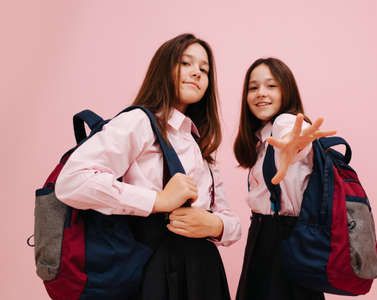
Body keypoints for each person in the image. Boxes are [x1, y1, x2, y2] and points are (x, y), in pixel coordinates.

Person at [55, 33, 241, 300]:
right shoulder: (138, 123)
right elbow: (71, 181)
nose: (197, 73)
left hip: (204, 272)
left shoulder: (198, 142)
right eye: (186, 63)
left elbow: (232, 221)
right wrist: (158, 200)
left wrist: (214, 225)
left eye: (204, 69)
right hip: (155, 269)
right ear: (164, 68)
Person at [234, 57, 336, 300]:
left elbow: (294, 139)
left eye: (271, 86)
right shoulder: (263, 137)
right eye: (253, 87)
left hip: (281, 239)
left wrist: (295, 145)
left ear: (286, 91)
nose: (261, 93)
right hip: (264, 238)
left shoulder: (284, 123)